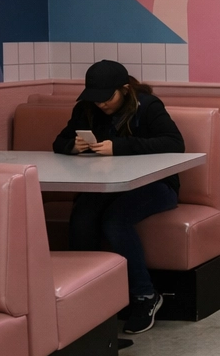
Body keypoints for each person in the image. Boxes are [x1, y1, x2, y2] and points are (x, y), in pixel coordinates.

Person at [55, 60, 184, 335]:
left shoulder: (148, 106)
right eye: (95, 98)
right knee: (82, 216)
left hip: (157, 186)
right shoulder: (85, 109)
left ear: (125, 90)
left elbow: (174, 143)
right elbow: (59, 141)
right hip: (105, 186)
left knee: (115, 221)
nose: (101, 104)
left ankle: (145, 296)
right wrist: (72, 146)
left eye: (107, 98)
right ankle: (87, 298)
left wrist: (121, 147)